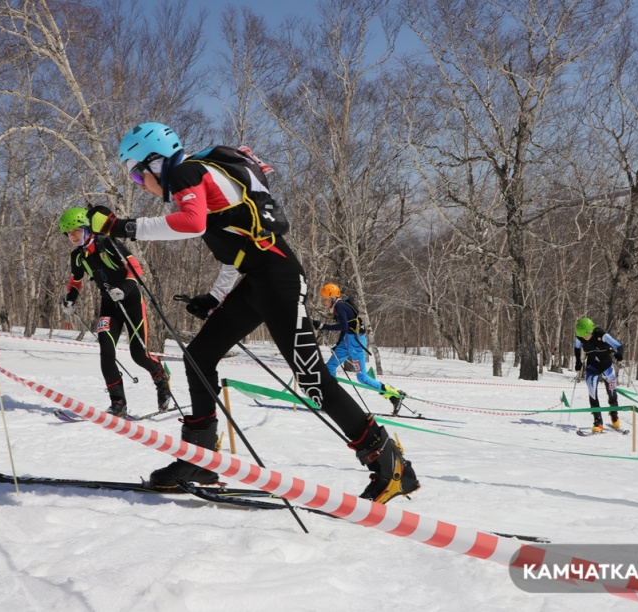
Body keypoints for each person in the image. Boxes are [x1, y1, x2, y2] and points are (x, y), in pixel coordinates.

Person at [86, 122, 419, 503]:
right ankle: (201, 458)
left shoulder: (184, 172)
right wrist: (214, 297)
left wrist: (120, 226)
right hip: (259, 280)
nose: (136, 182)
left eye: (135, 171)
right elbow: (240, 248)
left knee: (310, 378)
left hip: (278, 280)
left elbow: (191, 225)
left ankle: (389, 465)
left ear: (155, 162)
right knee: (199, 357)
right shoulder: (201, 175)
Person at [58, 207, 172, 417]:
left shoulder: (106, 242)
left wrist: (125, 289)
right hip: (109, 304)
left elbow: (136, 268)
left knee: (139, 355)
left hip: (131, 300)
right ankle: (118, 403)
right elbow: (76, 280)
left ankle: (161, 380)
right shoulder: (77, 256)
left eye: (76, 231)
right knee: (106, 353)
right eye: (68, 233)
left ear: (86, 228)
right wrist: (70, 300)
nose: (72, 237)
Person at [313, 283, 407, 415]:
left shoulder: (340, 306)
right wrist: (338, 344)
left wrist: (323, 326)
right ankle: (331, 400)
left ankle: (394, 395)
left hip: (356, 343)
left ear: (333, 298)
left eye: (325, 299)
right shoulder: (338, 306)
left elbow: (343, 326)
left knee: (361, 377)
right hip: (347, 341)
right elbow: (346, 329)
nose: (323, 302)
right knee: (330, 367)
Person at [574, 317, 624, 433]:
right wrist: (578, 361)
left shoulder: (602, 335)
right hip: (592, 366)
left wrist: (619, 354)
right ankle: (598, 421)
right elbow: (576, 348)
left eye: (587, 334)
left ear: (591, 330)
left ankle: (613, 413)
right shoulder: (580, 338)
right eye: (582, 336)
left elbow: (619, 346)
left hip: (606, 365)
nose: (585, 337)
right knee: (591, 389)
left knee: (611, 391)